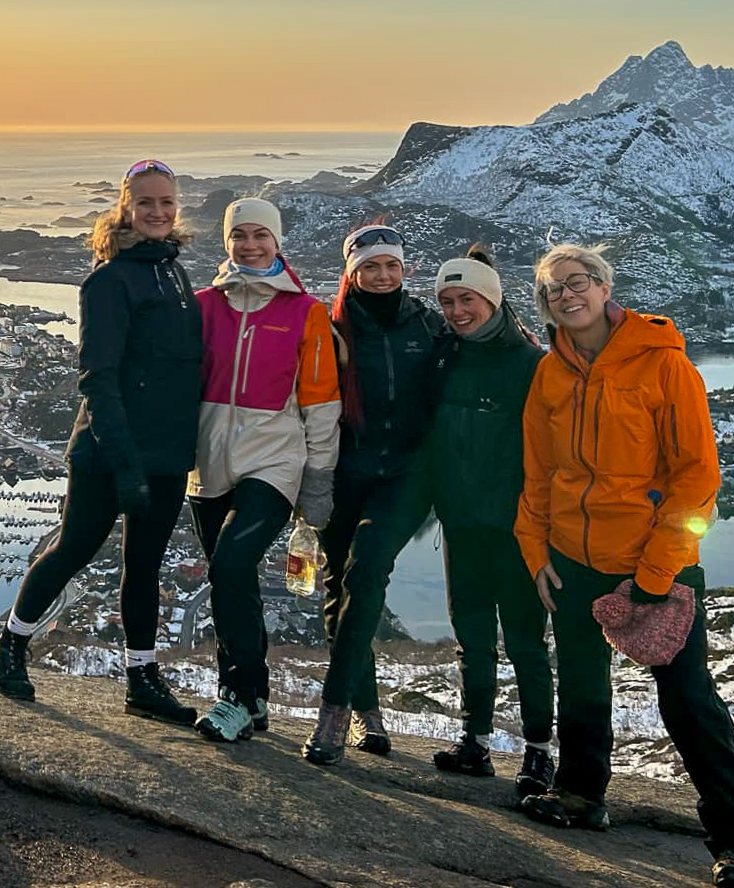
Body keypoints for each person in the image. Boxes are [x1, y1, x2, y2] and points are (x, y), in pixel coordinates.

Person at [514, 242, 734, 888]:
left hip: (654, 566)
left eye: (577, 282)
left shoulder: (663, 364)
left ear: (605, 287)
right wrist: (537, 555)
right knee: (581, 683)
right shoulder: (550, 373)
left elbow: (697, 480)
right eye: (552, 290)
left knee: (687, 700)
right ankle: (579, 794)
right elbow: (538, 474)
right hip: (572, 560)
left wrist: (655, 576)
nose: (566, 296)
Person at [0, 158, 202, 726]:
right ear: (125, 209)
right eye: (145, 202)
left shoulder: (174, 273)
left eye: (166, 202)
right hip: (109, 450)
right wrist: (125, 463)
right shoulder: (110, 280)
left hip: (167, 452)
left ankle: (142, 679)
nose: (157, 212)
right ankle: (10, 645)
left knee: (145, 565)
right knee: (74, 549)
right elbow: (98, 379)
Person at [186, 198, 340, 743]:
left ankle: (237, 694)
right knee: (230, 577)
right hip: (208, 466)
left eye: (260, 235)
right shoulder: (203, 306)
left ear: (277, 242)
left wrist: (318, 480)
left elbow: (322, 403)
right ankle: (253, 702)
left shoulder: (305, 312)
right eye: (239, 235)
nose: (250, 245)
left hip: (274, 461)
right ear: (226, 241)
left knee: (230, 564)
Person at [304, 220, 449, 764]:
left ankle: (333, 711)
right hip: (344, 473)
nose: (383, 275)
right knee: (339, 586)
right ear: (352, 272)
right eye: (370, 267)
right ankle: (369, 712)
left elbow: (478, 359)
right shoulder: (331, 329)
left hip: (406, 476)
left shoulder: (428, 325)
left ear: (404, 269)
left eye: (392, 265)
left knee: (366, 572)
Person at [414, 246, 554, 797]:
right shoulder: (445, 356)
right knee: (471, 636)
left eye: (466, 299)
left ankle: (539, 752)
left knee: (524, 641)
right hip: (462, 523)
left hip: (516, 529)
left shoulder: (529, 363)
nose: (456, 311)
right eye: (447, 301)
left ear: (492, 300)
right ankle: (475, 741)